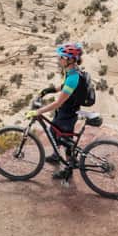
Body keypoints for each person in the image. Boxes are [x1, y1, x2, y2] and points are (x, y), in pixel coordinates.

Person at [26, 42, 85, 180]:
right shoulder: (73, 71)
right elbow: (63, 87)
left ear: (70, 59)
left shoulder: (73, 78)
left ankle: (68, 170)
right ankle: (55, 155)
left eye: (62, 57)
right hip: (65, 111)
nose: (59, 59)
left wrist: (38, 112)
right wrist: (48, 90)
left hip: (68, 114)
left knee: (65, 140)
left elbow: (58, 102)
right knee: (53, 131)